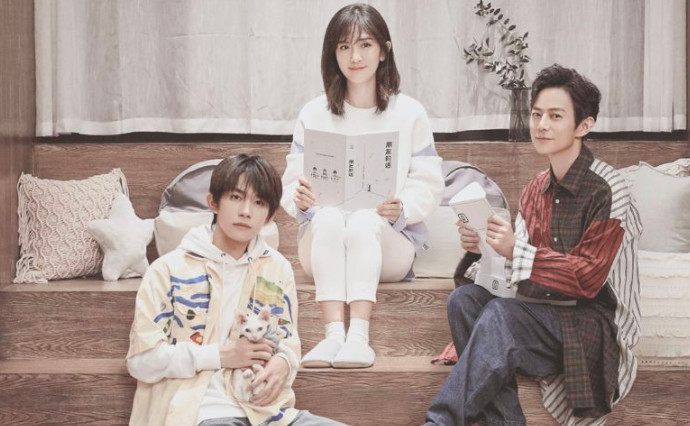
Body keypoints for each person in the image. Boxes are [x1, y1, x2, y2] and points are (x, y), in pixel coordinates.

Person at [424, 65, 642, 425]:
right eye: (537, 114)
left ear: (584, 125)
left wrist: (515, 250)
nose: (541, 125)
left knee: (501, 316)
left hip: (589, 326)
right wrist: (483, 248)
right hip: (538, 313)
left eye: (555, 116)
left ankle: (439, 421)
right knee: (464, 301)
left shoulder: (608, 189)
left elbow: (588, 278)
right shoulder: (534, 189)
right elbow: (516, 273)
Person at [280, 3, 444, 369]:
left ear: (384, 50)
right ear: (333, 53)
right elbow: (291, 182)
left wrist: (403, 207)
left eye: (365, 45)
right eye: (344, 46)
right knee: (329, 217)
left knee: (363, 221)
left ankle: (358, 338)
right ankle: (332, 336)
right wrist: (300, 199)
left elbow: (429, 182)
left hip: (388, 244)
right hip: (324, 243)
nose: (354, 56)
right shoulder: (313, 113)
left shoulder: (410, 112)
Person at [126, 154, 344, 426]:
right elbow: (142, 361)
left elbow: (288, 342)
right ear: (213, 203)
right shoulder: (167, 270)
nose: (246, 211)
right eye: (236, 198)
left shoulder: (277, 269)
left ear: (269, 216)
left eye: (259, 202)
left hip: (269, 414)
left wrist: (285, 362)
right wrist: (222, 356)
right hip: (196, 414)